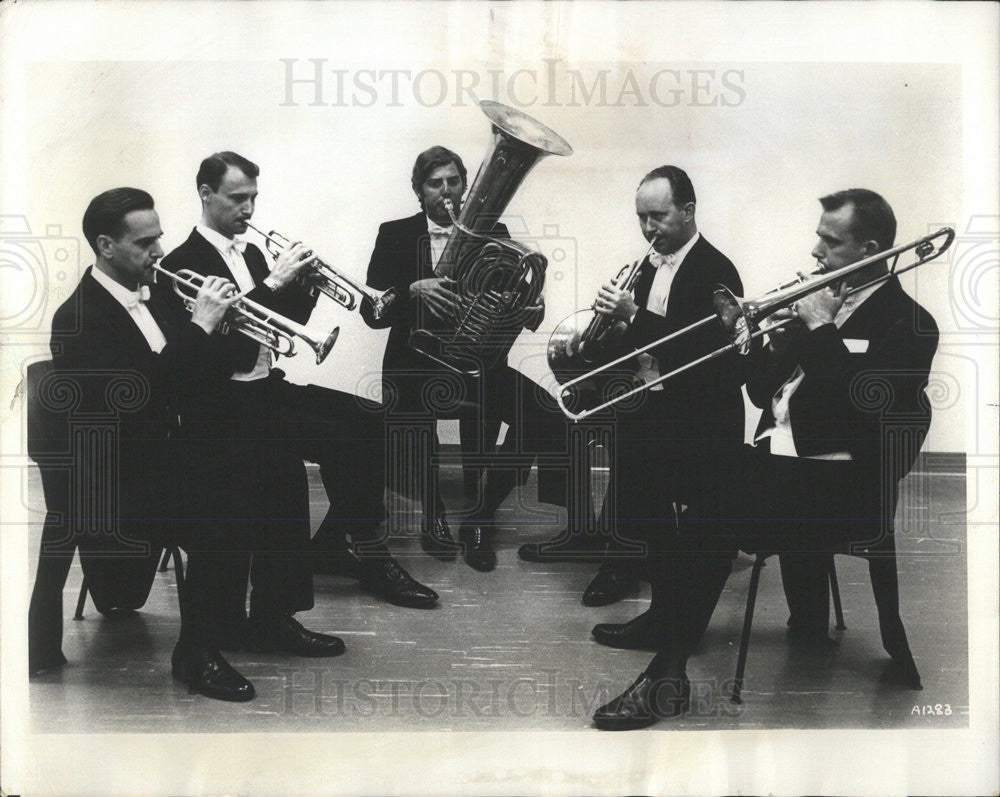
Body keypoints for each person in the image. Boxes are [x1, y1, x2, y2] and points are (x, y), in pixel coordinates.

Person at [592, 188, 937, 729]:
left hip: (845, 485)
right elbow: (761, 395)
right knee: (691, 472)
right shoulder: (819, 298)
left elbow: (868, 411)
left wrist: (822, 329)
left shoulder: (909, 323)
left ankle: (667, 672)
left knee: (714, 511)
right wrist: (752, 340)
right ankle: (669, 627)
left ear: (870, 247)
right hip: (782, 462)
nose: (816, 249)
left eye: (830, 240)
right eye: (818, 236)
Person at [159, 151, 438, 612]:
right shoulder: (182, 264)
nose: (248, 210)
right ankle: (368, 554)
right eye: (236, 199)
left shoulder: (248, 251)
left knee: (372, 419)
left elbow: (279, 328)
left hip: (266, 386)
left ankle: (336, 540)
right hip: (226, 402)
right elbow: (220, 353)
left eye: (253, 198)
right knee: (335, 437)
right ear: (206, 195)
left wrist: (304, 289)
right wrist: (274, 281)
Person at [32, 187, 267, 700]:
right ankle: (196, 653)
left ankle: (243, 624)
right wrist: (199, 327)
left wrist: (221, 326)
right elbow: (139, 404)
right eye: (144, 243)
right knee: (222, 510)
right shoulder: (78, 321)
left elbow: (190, 378)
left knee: (259, 470)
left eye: (158, 237)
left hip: (159, 453)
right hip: (112, 478)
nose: (158, 251)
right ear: (106, 246)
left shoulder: (154, 291)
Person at [520, 165, 746, 610]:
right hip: (647, 393)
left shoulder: (716, 271)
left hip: (696, 409)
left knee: (636, 443)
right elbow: (629, 340)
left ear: (688, 211)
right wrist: (604, 328)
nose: (648, 229)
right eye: (641, 217)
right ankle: (584, 532)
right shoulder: (643, 267)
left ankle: (623, 560)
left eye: (658, 216)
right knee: (552, 410)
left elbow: (704, 351)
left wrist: (632, 314)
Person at [360, 145, 543, 571]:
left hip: (474, 365)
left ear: (466, 185)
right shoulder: (394, 234)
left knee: (542, 412)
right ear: (418, 191)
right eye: (434, 183)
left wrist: (526, 308)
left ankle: (481, 514)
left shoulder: (493, 234)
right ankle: (433, 516)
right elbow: (372, 312)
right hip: (414, 362)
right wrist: (410, 290)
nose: (446, 191)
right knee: (416, 414)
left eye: (454, 181)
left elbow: (509, 300)